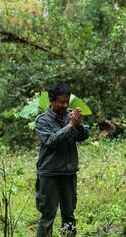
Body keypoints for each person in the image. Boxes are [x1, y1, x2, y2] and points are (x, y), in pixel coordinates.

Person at [34, 83, 89, 237]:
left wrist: (78, 126)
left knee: (69, 215)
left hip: (68, 173)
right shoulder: (42, 121)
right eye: (61, 102)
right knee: (47, 216)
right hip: (49, 174)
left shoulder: (70, 116)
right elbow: (51, 141)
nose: (65, 105)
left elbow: (83, 137)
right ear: (51, 101)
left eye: (67, 102)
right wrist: (70, 126)